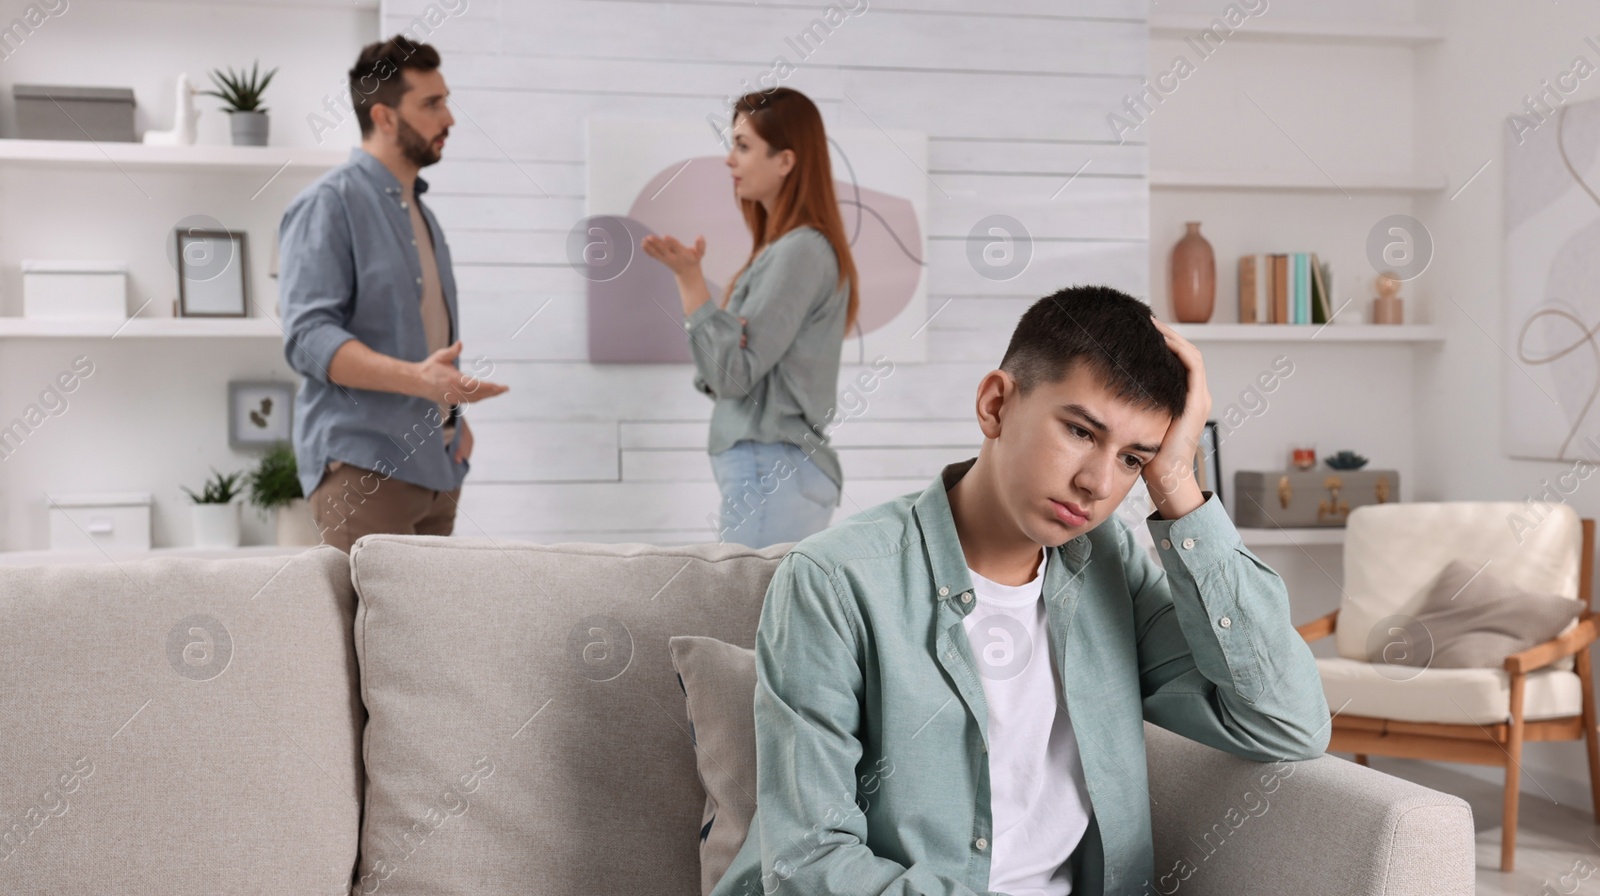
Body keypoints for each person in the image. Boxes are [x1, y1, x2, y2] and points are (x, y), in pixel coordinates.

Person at [710, 286, 1331, 896]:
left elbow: (1287, 723)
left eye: (1132, 460)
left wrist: (1176, 481)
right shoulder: (836, 580)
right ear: (995, 405)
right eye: (1082, 432)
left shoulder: (1109, 571)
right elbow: (808, 861)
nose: (1096, 483)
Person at [279, 36, 507, 552]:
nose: (448, 118)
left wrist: (455, 424)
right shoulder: (327, 205)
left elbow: (425, 340)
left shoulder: (423, 216)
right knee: (371, 635)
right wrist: (418, 381)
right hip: (365, 471)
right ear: (383, 117)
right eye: (431, 104)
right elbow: (309, 338)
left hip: (437, 467)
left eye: (445, 100)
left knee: (424, 633)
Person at [641, 87, 858, 549]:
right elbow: (723, 372)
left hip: (773, 466)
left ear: (785, 161)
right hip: (773, 469)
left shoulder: (800, 250)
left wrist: (690, 282)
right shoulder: (779, 250)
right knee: (753, 616)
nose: (729, 160)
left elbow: (730, 375)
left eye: (742, 146)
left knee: (740, 617)